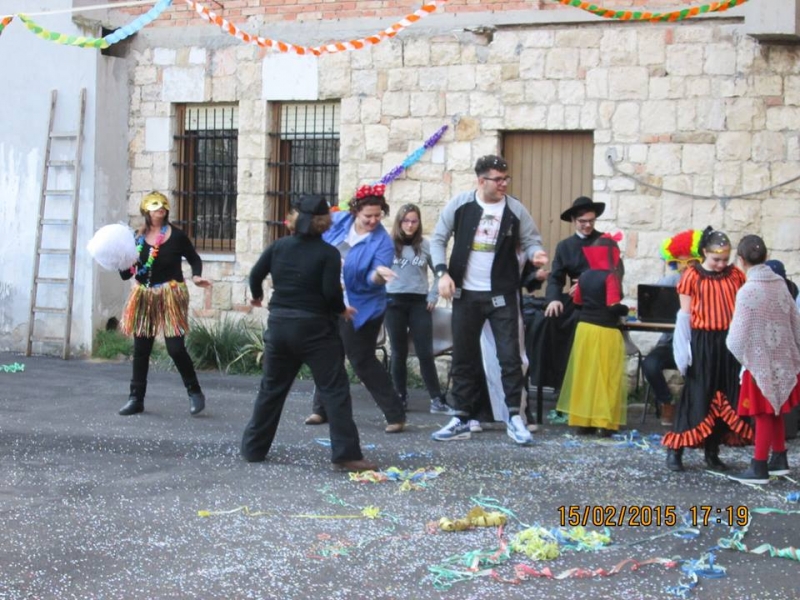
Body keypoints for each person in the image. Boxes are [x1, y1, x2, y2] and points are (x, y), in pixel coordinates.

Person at [241, 195, 376, 471]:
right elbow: (330, 293)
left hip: (280, 327)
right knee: (334, 390)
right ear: (324, 223)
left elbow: (255, 275)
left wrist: (256, 297)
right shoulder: (327, 253)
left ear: (294, 219)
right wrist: (342, 311)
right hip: (315, 331)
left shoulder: (278, 247)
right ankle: (346, 454)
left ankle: (253, 449)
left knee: (272, 388)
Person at [429, 154, 547, 445]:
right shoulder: (461, 205)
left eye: (506, 178)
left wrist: (536, 254)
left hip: (502, 295)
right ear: (481, 181)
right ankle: (462, 418)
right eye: (498, 179)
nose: (504, 183)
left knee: (509, 357)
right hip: (465, 295)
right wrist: (442, 273)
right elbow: (437, 239)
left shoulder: (515, 208)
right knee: (464, 358)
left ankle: (515, 417)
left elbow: (532, 239)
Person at [304, 184, 406, 433]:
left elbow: (370, 281)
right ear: (355, 212)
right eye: (367, 216)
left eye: (377, 215)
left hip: (363, 306)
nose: (373, 220)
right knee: (328, 355)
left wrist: (379, 276)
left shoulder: (382, 242)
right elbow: (314, 231)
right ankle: (321, 409)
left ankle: (395, 414)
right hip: (329, 300)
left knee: (361, 359)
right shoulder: (338, 221)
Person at [663, 227, 753, 472]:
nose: (721, 264)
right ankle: (675, 450)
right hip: (702, 342)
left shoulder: (735, 275)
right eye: (716, 259)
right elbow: (684, 316)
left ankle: (712, 452)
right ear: (704, 253)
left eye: (725, 259)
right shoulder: (692, 275)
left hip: (729, 343)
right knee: (697, 395)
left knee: (726, 396)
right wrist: (683, 351)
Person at [117, 191, 212, 416]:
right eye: (155, 206)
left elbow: (194, 258)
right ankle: (135, 399)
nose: (160, 209)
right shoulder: (136, 238)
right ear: (146, 211)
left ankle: (195, 391)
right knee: (141, 349)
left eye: (163, 207)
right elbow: (126, 272)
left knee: (175, 348)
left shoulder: (177, 236)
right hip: (144, 295)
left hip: (171, 293)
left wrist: (197, 276)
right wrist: (120, 263)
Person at [726, 235, 800, 484]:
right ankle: (779, 458)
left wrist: (747, 359)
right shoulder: (780, 284)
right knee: (776, 409)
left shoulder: (748, 291)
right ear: (766, 257)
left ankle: (759, 466)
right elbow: (795, 324)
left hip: (759, 362)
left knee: (763, 414)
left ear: (740, 260)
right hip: (784, 358)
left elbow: (735, 339)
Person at [556, 234, 629, 436]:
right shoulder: (610, 277)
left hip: (584, 330)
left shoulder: (585, 276)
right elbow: (613, 306)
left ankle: (583, 421)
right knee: (606, 376)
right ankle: (603, 423)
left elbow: (578, 301)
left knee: (585, 375)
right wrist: (626, 310)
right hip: (605, 330)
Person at [532, 197, 606, 395]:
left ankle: (583, 389)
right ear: (574, 221)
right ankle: (557, 383)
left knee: (580, 326)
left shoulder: (605, 242)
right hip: (574, 300)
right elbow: (556, 278)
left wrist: (586, 283)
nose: (588, 225)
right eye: (583, 221)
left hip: (598, 302)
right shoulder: (565, 246)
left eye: (591, 221)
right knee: (548, 321)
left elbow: (612, 274)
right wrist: (554, 299)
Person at [384, 203, 451, 414]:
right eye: (406, 221)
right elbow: (376, 270)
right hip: (393, 303)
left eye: (414, 221)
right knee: (398, 352)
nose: (410, 225)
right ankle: (400, 396)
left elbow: (440, 272)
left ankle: (436, 399)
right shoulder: (388, 244)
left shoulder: (425, 245)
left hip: (418, 303)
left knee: (424, 352)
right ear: (399, 222)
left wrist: (433, 295)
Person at [641, 229, 702, 427]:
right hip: (670, 343)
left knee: (701, 369)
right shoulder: (667, 283)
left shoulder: (707, 284)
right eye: (681, 263)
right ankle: (667, 402)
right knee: (650, 364)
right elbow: (653, 315)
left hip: (699, 344)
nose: (685, 268)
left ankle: (694, 409)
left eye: (690, 262)